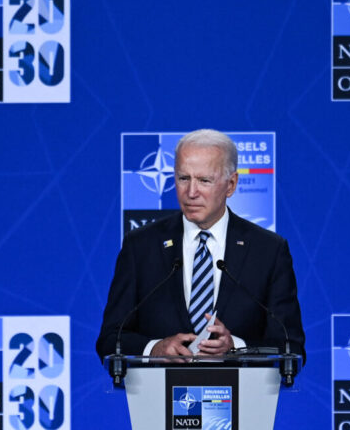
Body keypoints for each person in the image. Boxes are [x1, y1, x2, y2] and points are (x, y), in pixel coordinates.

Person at [96, 129, 305, 361]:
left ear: (231, 184)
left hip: (241, 393)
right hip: (158, 391)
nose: (191, 192)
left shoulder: (268, 251)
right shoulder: (141, 247)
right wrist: (155, 348)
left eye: (204, 180)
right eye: (183, 178)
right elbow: (110, 338)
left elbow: (291, 346)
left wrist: (235, 347)